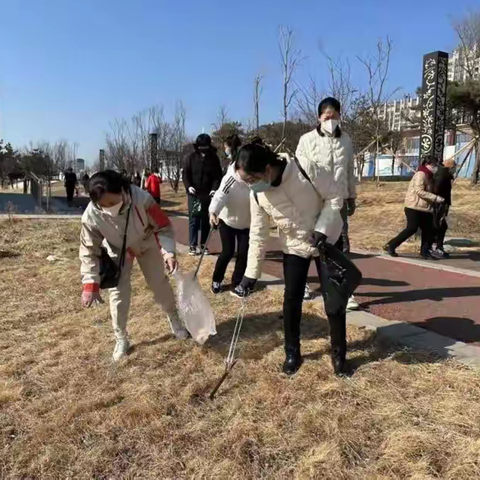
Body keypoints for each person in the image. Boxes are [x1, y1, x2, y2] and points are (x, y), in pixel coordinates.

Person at [233, 143, 347, 376]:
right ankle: (292, 351)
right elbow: (258, 233)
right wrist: (250, 274)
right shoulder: (258, 195)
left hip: (327, 240)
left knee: (334, 302)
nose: (250, 186)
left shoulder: (305, 168)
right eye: (246, 182)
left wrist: (323, 227)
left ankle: (339, 353)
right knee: (291, 300)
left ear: (266, 169)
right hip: (294, 246)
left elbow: (335, 196)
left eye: (252, 179)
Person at [79, 170, 188, 361]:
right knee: (118, 294)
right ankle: (121, 337)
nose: (109, 208)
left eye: (112, 203)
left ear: (122, 190)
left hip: (146, 243)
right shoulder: (91, 216)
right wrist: (90, 284)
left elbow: (162, 226)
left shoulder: (143, 200)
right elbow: (89, 250)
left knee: (159, 284)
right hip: (118, 251)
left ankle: (174, 319)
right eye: (103, 205)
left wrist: (168, 252)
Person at [296, 97, 359, 310]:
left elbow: (350, 170)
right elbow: (299, 171)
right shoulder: (306, 140)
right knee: (308, 242)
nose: (330, 120)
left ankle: (343, 289)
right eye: (326, 117)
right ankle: (303, 283)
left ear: (340, 116)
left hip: (337, 201)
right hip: (313, 200)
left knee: (338, 245)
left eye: (334, 116)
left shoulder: (347, 141)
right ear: (319, 118)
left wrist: (351, 196)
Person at [209, 136, 250, 294]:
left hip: (246, 222)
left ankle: (237, 282)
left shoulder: (256, 180)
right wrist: (213, 212)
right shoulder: (230, 179)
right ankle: (217, 279)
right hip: (228, 221)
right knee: (228, 252)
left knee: (244, 253)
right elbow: (219, 196)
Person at [383, 156, 445, 259]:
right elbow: (419, 191)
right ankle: (391, 245)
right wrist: (435, 198)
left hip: (425, 207)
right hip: (414, 206)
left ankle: (424, 252)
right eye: (433, 165)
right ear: (427, 164)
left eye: (436, 165)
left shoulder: (430, 176)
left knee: (428, 230)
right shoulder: (420, 174)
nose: (435, 168)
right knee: (411, 228)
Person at [183, 134, 223, 256]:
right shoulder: (191, 157)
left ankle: (203, 245)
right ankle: (192, 245)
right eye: (201, 148)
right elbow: (185, 174)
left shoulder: (214, 158)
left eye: (205, 147)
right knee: (194, 220)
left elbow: (217, 176)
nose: (203, 150)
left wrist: (214, 189)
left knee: (206, 220)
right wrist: (189, 186)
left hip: (208, 194)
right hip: (194, 194)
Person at [431, 159, 456, 258]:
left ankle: (437, 246)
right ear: (450, 167)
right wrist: (439, 199)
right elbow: (437, 188)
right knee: (440, 226)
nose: (454, 169)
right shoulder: (443, 175)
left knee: (440, 225)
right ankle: (437, 247)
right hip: (439, 204)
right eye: (454, 167)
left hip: (441, 203)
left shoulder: (443, 174)